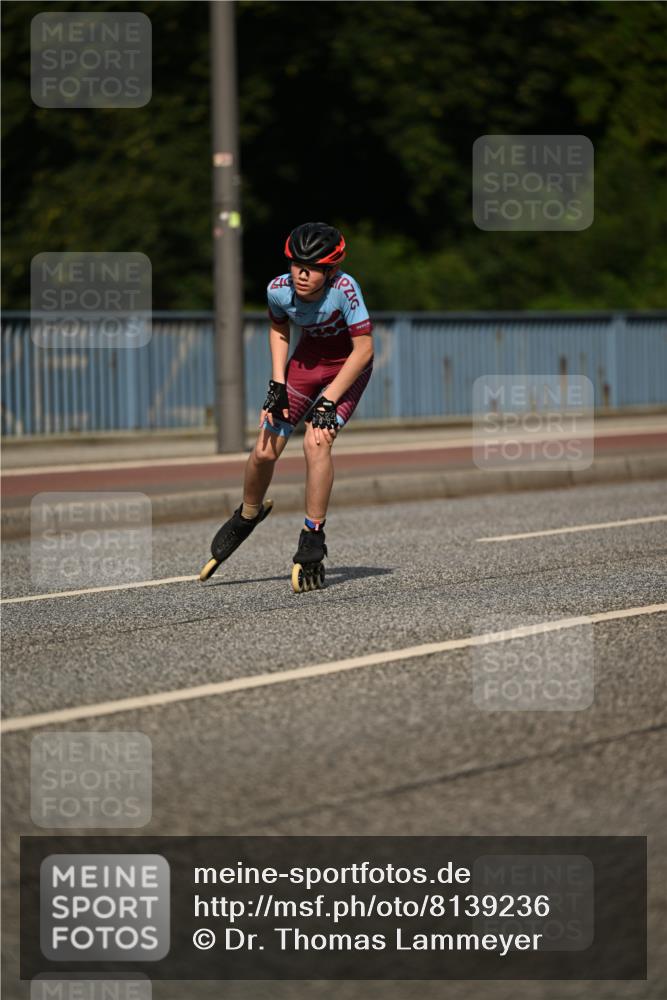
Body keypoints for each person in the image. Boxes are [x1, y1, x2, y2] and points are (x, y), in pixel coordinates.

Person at [199, 221, 374, 587]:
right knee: (265, 449)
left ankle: (313, 535)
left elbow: (364, 350)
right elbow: (279, 329)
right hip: (307, 363)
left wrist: (329, 401)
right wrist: (277, 383)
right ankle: (247, 514)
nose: (302, 274)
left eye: (312, 268)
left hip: (347, 368)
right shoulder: (278, 290)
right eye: (297, 265)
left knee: (316, 440)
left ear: (331, 270)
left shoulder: (345, 289)